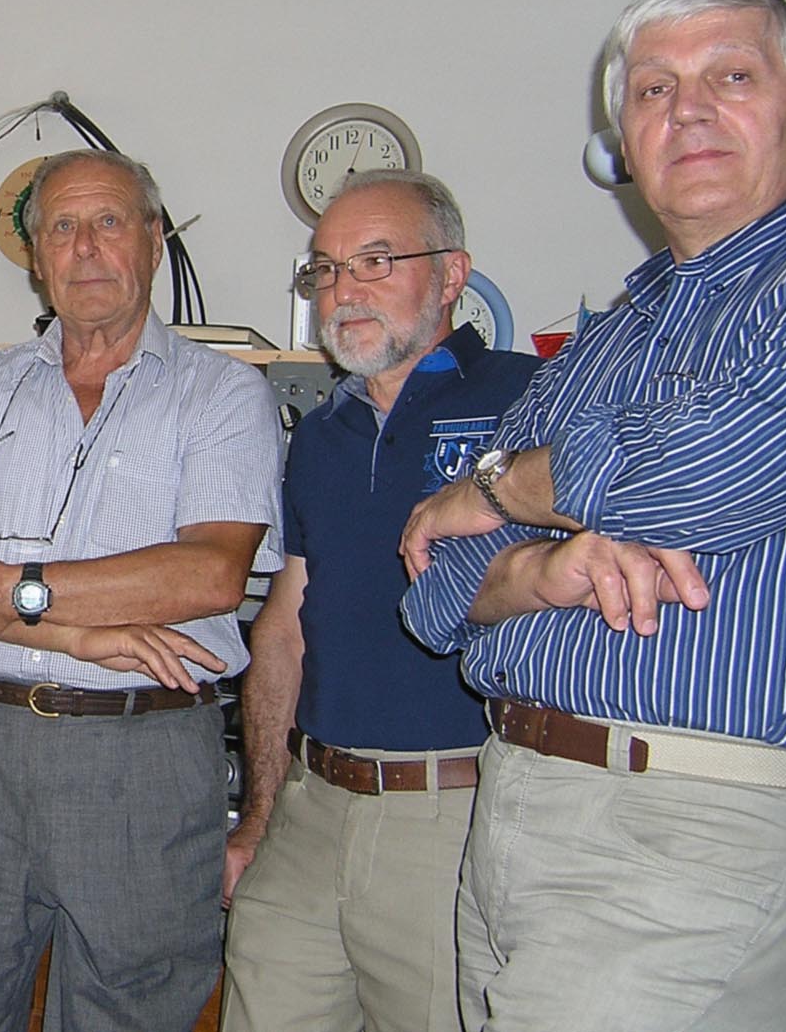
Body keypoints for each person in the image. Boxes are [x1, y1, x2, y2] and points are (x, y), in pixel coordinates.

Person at [400, 0, 786, 1031]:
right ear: (624, 141)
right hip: (510, 802)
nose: (688, 110)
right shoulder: (605, 337)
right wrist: (546, 565)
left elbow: (696, 474)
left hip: (699, 825)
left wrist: (502, 484)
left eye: (732, 76)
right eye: (653, 89)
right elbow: (433, 590)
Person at [0, 149, 282, 1031]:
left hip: (140, 756)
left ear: (153, 239)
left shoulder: (223, 395)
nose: (85, 247)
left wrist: (15, 594)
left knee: (126, 1012)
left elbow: (208, 573)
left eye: (109, 221)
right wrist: (76, 634)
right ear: (36, 258)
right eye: (62, 227)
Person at [221, 171, 539, 1032]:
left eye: (375, 261)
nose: (343, 290)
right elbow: (285, 625)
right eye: (325, 269)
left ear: (452, 273)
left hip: (453, 819)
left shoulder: (528, 397)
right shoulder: (320, 435)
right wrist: (259, 815)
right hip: (308, 810)